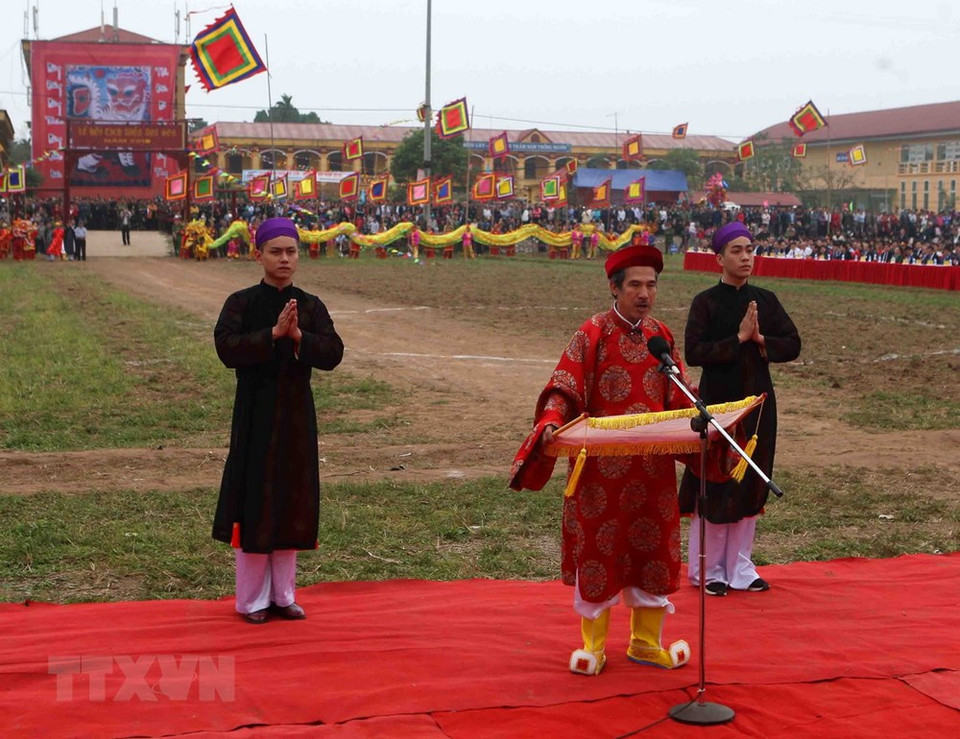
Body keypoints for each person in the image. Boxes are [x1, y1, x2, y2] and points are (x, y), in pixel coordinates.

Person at [510, 243, 692, 676]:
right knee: (599, 551)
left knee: (651, 551)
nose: (644, 294)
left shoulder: (661, 335)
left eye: (651, 285)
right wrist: (552, 420)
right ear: (615, 288)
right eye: (635, 286)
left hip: (652, 470)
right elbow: (563, 386)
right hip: (599, 471)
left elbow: (680, 392)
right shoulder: (592, 332)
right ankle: (593, 647)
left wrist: (705, 421)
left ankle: (646, 643)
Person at [213, 217, 344, 624]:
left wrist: (300, 336)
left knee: (291, 499)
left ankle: (284, 595)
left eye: (291, 251)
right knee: (256, 502)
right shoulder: (241, 303)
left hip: (296, 416)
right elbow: (226, 348)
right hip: (255, 413)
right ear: (258, 255)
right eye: (276, 251)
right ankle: (252, 601)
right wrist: (271, 334)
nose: (284, 259)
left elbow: (334, 352)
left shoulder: (310, 305)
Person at [679, 222, 801, 596]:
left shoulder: (765, 300)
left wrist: (760, 339)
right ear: (719, 258)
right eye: (737, 250)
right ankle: (708, 570)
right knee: (717, 482)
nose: (746, 257)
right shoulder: (706, 302)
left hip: (759, 407)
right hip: (718, 407)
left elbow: (792, 343)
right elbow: (694, 352)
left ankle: (741, 568)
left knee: (750, 483)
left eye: (750, 249)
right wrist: (738, 339)